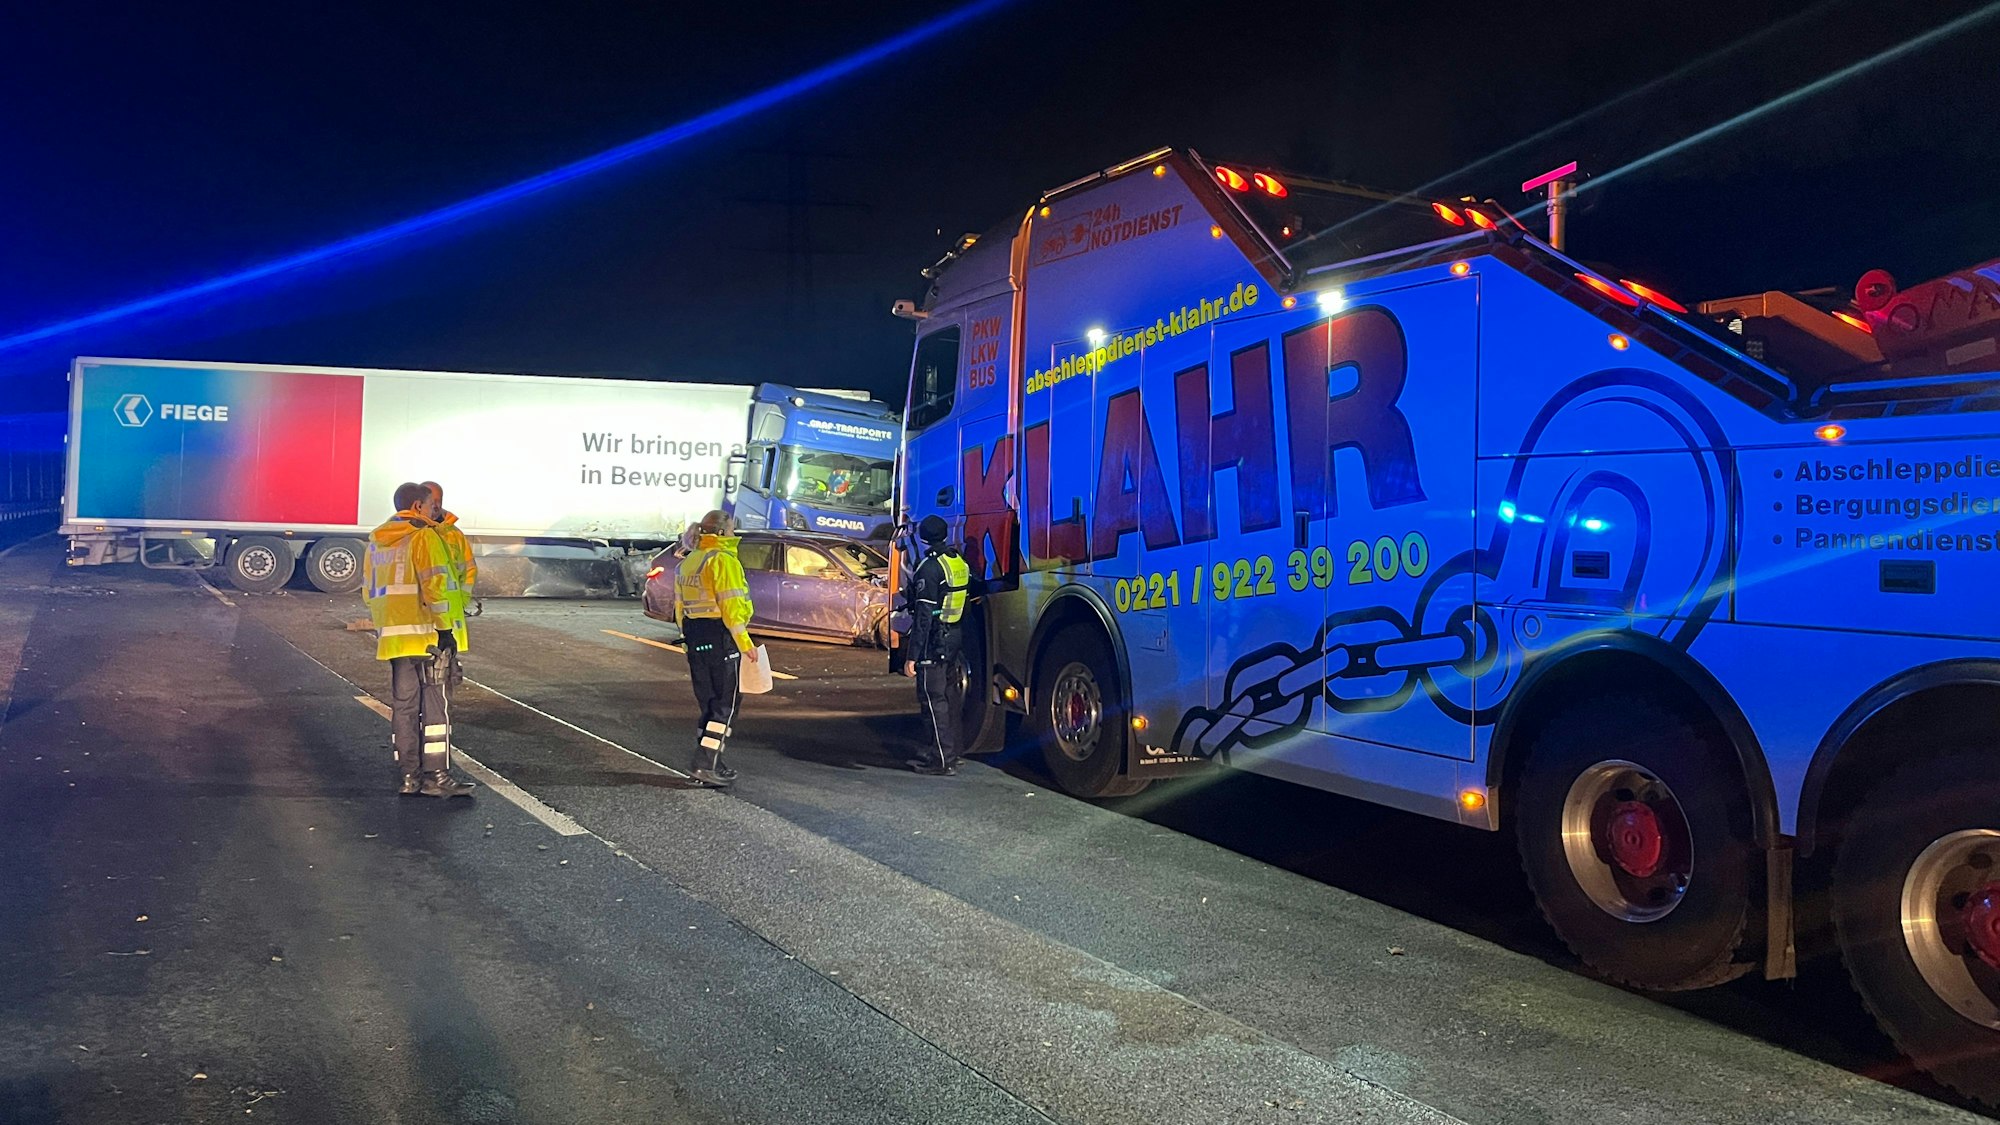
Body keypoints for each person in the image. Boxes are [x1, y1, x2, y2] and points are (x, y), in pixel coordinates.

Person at [363, 482, 473, 798]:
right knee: (436, 708)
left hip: (395, 639)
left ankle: (409, 776)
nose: (431, 511)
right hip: (427, 637)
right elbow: (435, 585)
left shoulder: (376, 542)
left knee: (404, 707)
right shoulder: (423, 536)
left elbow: (368, 592)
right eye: (428, 506)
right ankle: (436, 776)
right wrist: (446, 630)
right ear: (416, 507)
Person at [673, 509, 759, 786]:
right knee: (726, 705)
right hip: (722, 637)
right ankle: (704, 764)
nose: (735, 533)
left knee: (709, 704)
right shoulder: (723, 561)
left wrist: (687, 639)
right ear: (722, 532)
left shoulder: (690, 561)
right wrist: (746, 644)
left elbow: (679, 608)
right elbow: (731, 607)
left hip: (695, 635)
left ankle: (712, 762)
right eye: (733, 528)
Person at [902, 515, 969, 776]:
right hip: (954, 635)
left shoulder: (930, 568)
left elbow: (922, 617)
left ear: (923, 537)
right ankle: (948, 751)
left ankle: (942, 759)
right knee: (948, 698)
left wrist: (912, 656)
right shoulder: (956, 561)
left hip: (934, 640)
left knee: (932, 699)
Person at [421, 481, 474, 707]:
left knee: (444, 681)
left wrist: (461, 601)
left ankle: (441, 723)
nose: (435, 506)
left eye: (438, 502)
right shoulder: (418, 533)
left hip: (449, 618)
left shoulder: (454, 534)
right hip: (423, 616)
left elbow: (468, 569)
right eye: (431, 502)